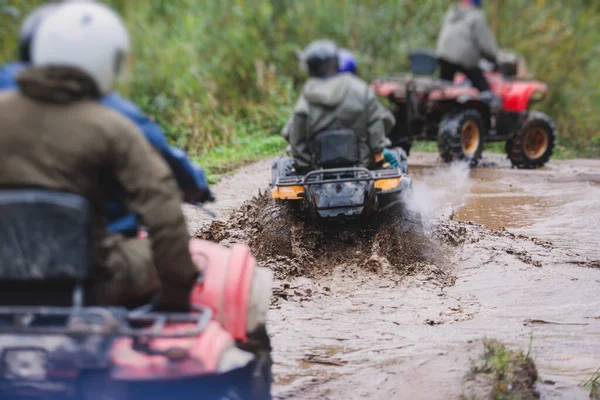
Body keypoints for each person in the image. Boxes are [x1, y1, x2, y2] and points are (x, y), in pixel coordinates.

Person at [0, 1, 198, 309]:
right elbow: (164, 215)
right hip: (87, 288)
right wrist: (176, 299)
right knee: (176, 256)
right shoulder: (114, 127)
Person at [282, 40, 396, 172]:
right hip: (362, 166)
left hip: (316, 171)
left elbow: (294, 135)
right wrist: (377, 153)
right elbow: (376, 124)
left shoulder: (306, 96)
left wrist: (304, 165)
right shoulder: (360, 89)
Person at [436, 0, 498, 92]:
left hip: (443, 55)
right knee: (482, 86)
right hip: (463, 58)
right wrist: (494, 59)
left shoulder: (452, 12)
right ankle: (488, 102)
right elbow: (486, 46)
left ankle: (441, 105)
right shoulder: (477, 16)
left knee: (444, 88)